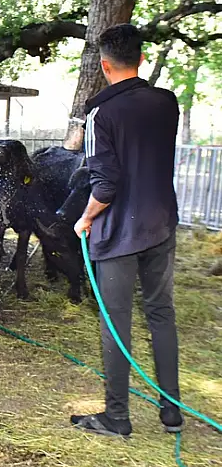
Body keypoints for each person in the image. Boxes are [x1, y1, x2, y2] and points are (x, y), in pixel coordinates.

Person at [71, 23, 183, 437]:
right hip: (161, 223)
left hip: (118, 232)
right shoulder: (166, 102)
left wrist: (85, 218)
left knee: (116, 322)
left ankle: (117, 417)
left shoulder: (102, 112)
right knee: (161, 314)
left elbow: (105, 184)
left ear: (104, 64)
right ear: (141, 59)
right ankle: (171, 412)